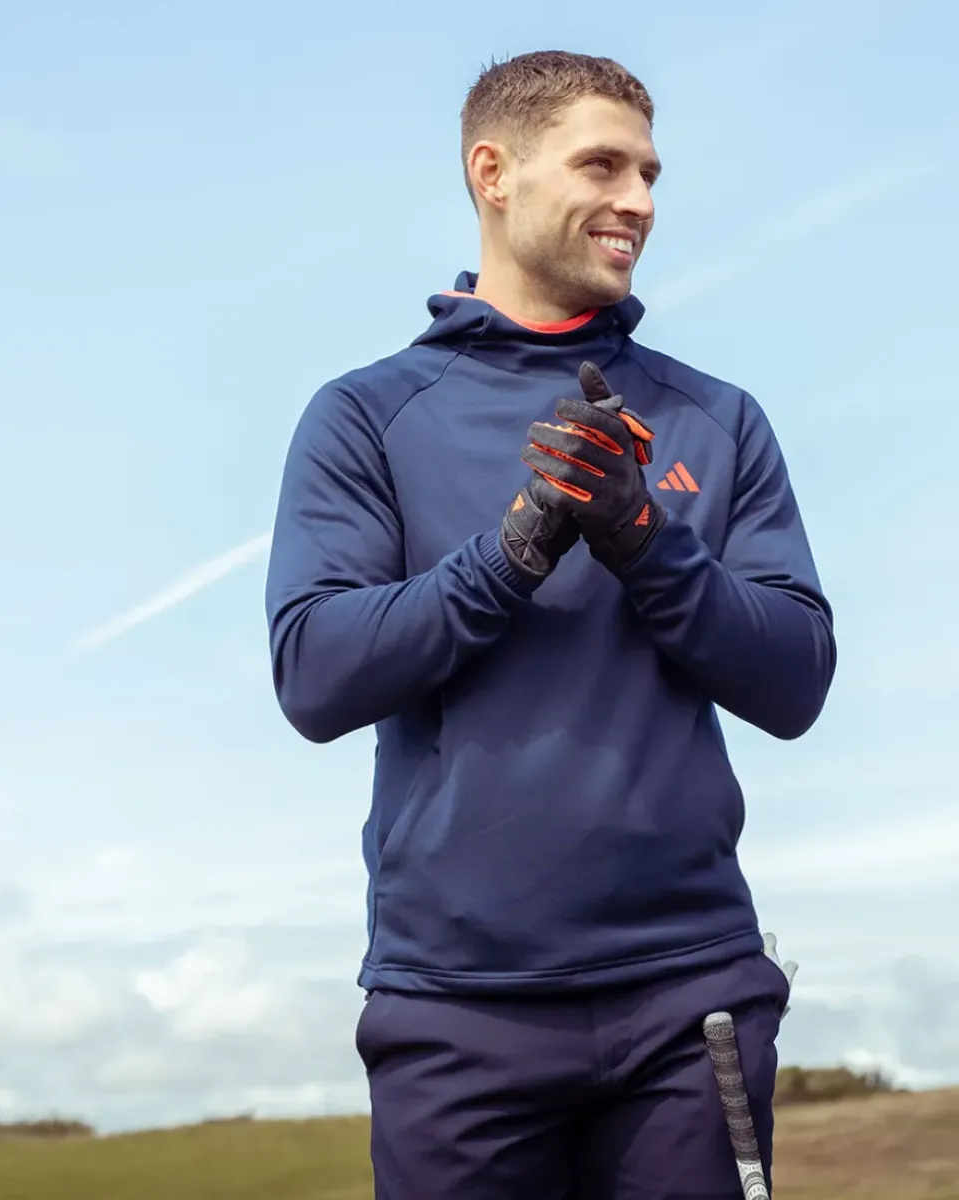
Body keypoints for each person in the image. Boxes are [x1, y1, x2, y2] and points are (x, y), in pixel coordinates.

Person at [265, 49, 836, 1200]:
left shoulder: (715, 418)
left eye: (650, 173)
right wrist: (514, 552)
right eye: (602, 165)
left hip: (691, 1002)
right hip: (455, 1012)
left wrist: (643, 537)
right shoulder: (368, 416)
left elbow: (796, 681)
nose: (639, 199)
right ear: (494, 172)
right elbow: (315, 675)